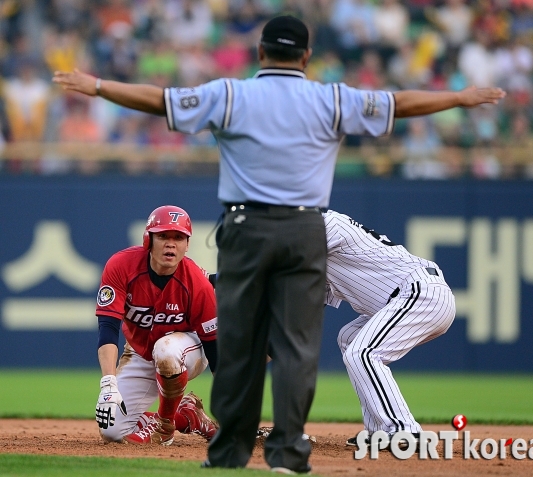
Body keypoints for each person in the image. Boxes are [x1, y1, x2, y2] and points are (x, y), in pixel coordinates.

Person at [53, 15, 505, 473]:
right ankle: (297, 448)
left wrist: (99, 86)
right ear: (307, 58)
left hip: (255, 227)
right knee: (303, 348)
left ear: (260, 53)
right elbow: (395, 104)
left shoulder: (232, 93)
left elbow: (161, 101)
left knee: (277, 342)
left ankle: (249, 444)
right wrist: (458, 98)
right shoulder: (329, 97)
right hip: (307, 226)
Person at [321, 209, 456, 447]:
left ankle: (404, 430)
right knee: (350, 339)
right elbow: (297, 318)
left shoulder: (325, 223)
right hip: (407, 298)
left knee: (363, 353)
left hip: (420, 293)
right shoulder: (316, 252)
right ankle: (377, 431)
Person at [95, 205, 218, 445]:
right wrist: (108, 384)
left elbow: (214, 349)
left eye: (179, 237)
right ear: (148, 240)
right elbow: (108, 328)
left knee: (167, 349)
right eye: (163, 236)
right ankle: (187, 416)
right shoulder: (121, 266)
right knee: (112, 430)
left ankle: (163, 425)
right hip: (141, 352)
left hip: (190, 349)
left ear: (187, 244)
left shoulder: (197, 282)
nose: (171, 244)